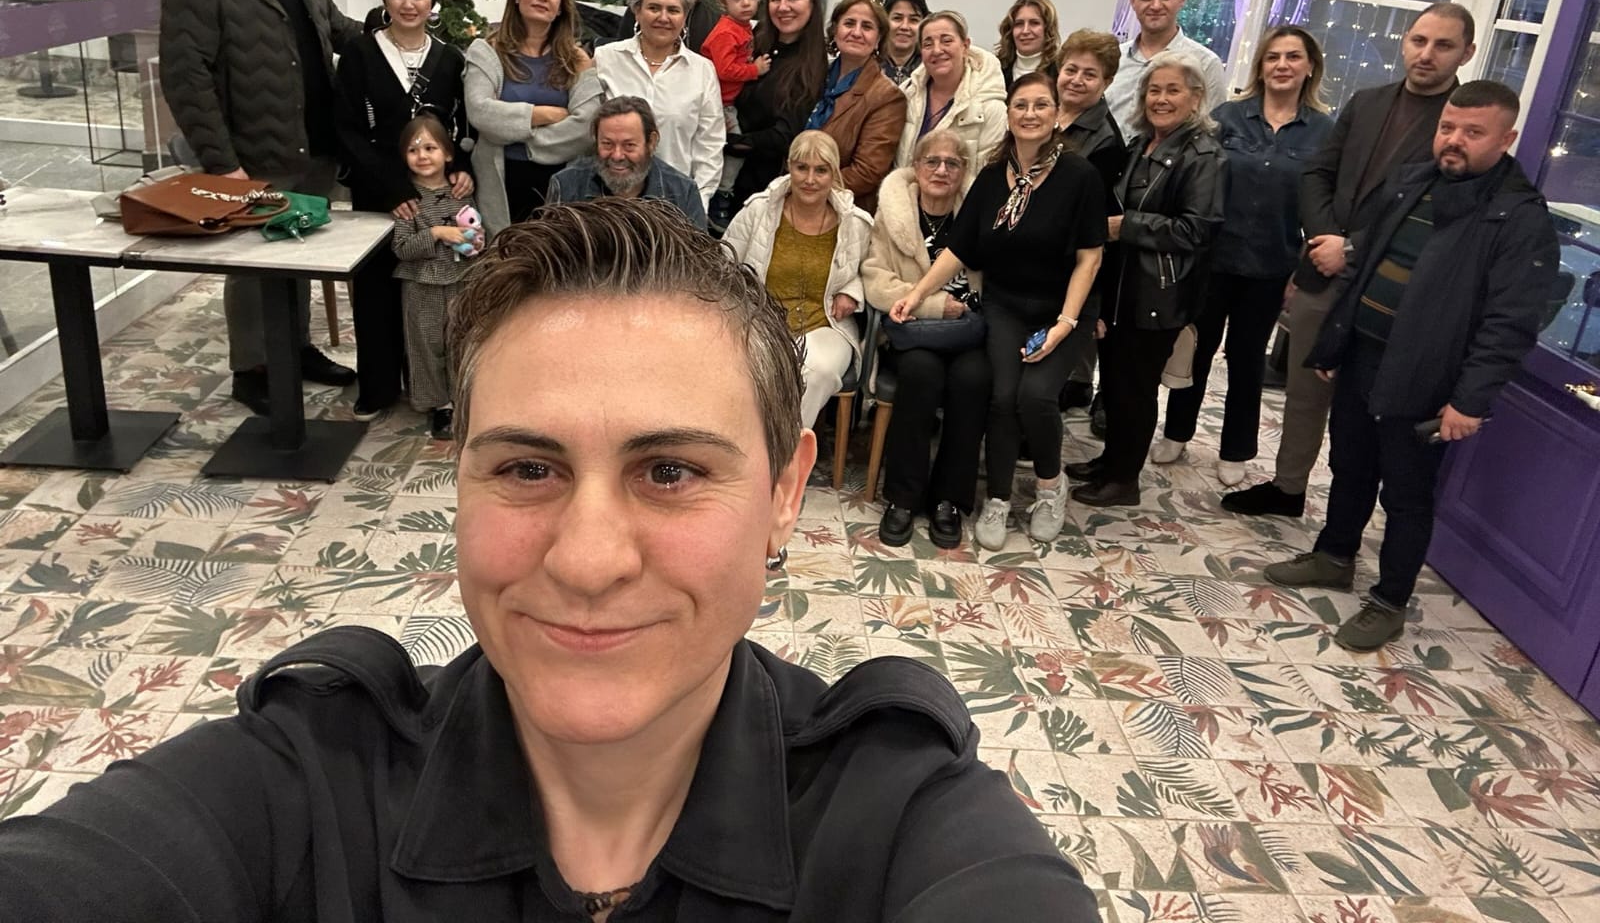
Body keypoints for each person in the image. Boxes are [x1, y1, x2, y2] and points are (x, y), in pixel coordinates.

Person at [0, 198, 1098, 922]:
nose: (586, 560)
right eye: (527, 467)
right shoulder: (306, 783)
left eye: (670, 470)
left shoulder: (902, 820)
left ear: (782, 492)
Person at [1263, 81, 1559, 652]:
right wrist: (1336, 344)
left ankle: (1389, 600)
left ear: (1507, 139)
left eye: (1473, 132)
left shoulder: (1517, 218)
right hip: (1364, 354)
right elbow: (1365, 264)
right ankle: (1334, 555)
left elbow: (1510, 322)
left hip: (1427, 376)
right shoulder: (1414, 181)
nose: (1454, 140)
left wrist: (1470, 400)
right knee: (1349, 465)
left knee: (1406, 494)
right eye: (1448, 127)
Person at [1223, 2, 1477, 519]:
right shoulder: (1367, 102)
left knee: (1360, 409)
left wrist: (1353, 248)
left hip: (1390, 287)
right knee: (1303, 391)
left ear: (1467, 53)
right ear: (1404, 42)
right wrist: (1326, 238)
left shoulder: (1458, 124)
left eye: (1443, 45)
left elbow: (1437, 213)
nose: (1426, 54)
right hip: (1325, 268)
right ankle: (1289, 487)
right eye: (1419, 40)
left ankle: (1348, 515)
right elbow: (1318, 174)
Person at [158, 0, 363, 416]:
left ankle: (294, 348)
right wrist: (222, 164)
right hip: (251, 157)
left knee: (296, 251)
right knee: (252, 268)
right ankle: (251, 370)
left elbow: (338, 29)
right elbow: (186, 79)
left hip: (312, 146)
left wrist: (398, 36)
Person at [892, 73, 1105, 551]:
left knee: (1036, 396)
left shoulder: (1080, 176)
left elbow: (1090, 258)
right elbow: (960, 248)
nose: (1030, 114)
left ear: (1056, 114)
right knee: (1003, 397)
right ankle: (999, 498)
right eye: (1021, 105)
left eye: (1041, 105)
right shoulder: (992, 177)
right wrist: (917, 293)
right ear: (1008, 115)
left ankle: (1050, 487)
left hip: (1063, 309)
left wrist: (1065, 324)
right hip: (1006, 305)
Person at [1154, 26, 1334, 486]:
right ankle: (1177, 431)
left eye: (1293, 57)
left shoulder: (1324, 132)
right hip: (1213, 258)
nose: (1282, 65)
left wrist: (1304, 269)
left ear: (1309, 66)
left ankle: (1236, 449)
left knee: (1247, 357)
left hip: (1273, 264)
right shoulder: (1228, 117)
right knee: (1195, 347)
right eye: (1273, 57)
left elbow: (1323, 205)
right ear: (1260, 66)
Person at [1069, 54, 1225, 509]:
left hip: (1160, 291)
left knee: (1136, 389)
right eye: (1154, 90)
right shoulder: (1142, 143)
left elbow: (1198, 230)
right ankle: (1111, 461)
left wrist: (1127, 227)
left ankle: (1124, 480)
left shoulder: (1204, 156)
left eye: (1173, 90)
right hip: (1123, 287)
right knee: (1116, 383)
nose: (1161, 99)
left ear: (1196, 97)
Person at [333, 0, 474, 419]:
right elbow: (347, 128)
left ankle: (430, 389)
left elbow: (461, 126)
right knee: (376, 289)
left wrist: (461, 167)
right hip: (379, 193)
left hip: (434, 192)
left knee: (430, 292)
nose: (408, 3)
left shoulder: (450, 58)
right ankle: (377, 385)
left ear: (433, 1)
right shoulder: (359, 53)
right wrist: (392, 187)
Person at [861, 130, 987, 550]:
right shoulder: (893, 212)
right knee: (919, 373)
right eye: (932, 161)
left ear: (964, 171)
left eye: (952, 163)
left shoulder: (980, 213)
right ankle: (903, 497)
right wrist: (934, 305)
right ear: (916, 167)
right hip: (915, 332)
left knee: (973, 380)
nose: (941, 170)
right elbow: (875, 280)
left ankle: (949, 499)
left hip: (969, 333)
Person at [724, 131, 873, 430]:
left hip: (826, 324)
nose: (810, 179)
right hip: (761, 322)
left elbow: (872, 271)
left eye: (821, 170)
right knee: (747, 368)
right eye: (802, 167)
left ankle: (788, 450)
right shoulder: (759, 210)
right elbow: (722, 264)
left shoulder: (855, 223)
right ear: (788, 166)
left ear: (834, 174)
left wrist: (851, 291)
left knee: (816, 370)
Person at [465, 0, 600, 234]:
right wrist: (543, 114)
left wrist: (525, 143)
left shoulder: (577, 60)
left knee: (554, 254)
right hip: (500, 182)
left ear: (561, 7)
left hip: (559, 183)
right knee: (504, 254)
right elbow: (480, 111)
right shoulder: (486, 51)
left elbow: (588, 125)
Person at [594, 0, 724, 208]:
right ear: (637, 11)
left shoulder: (702, 71)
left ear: (684, 16)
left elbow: (710, 146)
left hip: (674, 204)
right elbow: (588, 133)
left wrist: (697, 202)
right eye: (654, 8)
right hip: (608, 200)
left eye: (673, 10)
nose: (663, 17)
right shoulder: (605, 59)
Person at [390, 111, 481, 442]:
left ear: (448, 153)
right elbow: (402, 247)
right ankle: (439, 404)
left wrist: (475, 242)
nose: (422, 156)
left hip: (461, 279)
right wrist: (437, 233)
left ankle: (462, 398)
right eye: (413, 150)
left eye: (430, 148)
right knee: (426, 343)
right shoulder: (407, 200)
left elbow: (476, 230)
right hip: (422, 284)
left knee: (461, 340)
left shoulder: (462, 191)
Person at [1053, 29, 1130, 413]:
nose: (1077, 80)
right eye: (1071, 69)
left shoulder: (1106, 141)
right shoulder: (1043, 109)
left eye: (1090, 74)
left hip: (1065, 255)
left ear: (1107, 82)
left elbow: (1087, 216)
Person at [725, 0, 829, 206]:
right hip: (722, 174)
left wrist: (730, 143)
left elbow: (785, 136)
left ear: (812, 2)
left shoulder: (814, 64)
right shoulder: (755, 40)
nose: (783, 7)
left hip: (764, 190)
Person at [1104, 0, 1228, 141]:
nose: (1155, 6)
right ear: (1132, 0)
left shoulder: (1206, 64)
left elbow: (1211, 135)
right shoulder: (1113, 58)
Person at [547, 96, 708, 230]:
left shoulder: (683, 192)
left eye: (629, 145)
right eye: (607, 144)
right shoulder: (566, 186)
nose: (617, 155)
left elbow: (699, 257)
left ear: (651, 142)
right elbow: (550, 253)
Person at [811, 0, 907, 214]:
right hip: (791, 200)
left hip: (838, 211)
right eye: (849, 23)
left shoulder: (887, 97)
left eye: (867, 27)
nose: (856, 32)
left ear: (878, 39)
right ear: (835, 30)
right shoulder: (814, 75)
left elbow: (866, 172)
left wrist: (805, 185)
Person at [896, 11, 1008, 186]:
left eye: (946, 41)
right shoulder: (906, 96)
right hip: (904, 198)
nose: (937, 50)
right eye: (928, 44)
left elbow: (986, 177)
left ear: (965, 46)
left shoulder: (990, 106)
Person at [700, 0, 772, 228]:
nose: (746, 3)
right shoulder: (726, 33)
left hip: (731, 101)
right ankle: (721, 194)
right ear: (722, 1)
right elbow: (725, 69)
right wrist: (755, 70)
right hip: (719, 103)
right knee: (736, 148)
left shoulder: (742, 27)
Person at [995, 0, 1061, 92]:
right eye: (1019, 24)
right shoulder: (996, 68)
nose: (1025, 31)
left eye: (1034, 23)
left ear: (1048, 29)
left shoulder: (1060, 71)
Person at [880, 0, 929, 86]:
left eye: (914, 20)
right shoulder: (868, 64)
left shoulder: (930, 67)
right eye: (897, 18)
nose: (904, 27)